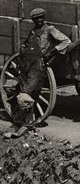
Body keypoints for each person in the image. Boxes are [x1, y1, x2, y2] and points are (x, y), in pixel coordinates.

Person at [5, 8, 71, 138]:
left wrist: (53, 51)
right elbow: (26, 45)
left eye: (41, 17)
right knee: (21, 89)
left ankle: (24, 124)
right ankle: (21, 121)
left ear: (44, 17)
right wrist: (23, 49)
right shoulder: (33, 31)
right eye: (36, 19)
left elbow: (66, 41)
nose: (39, 20)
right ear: (34, 20)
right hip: (27, 64)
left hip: (38, 66)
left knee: (26, 94)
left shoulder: (50, 29)